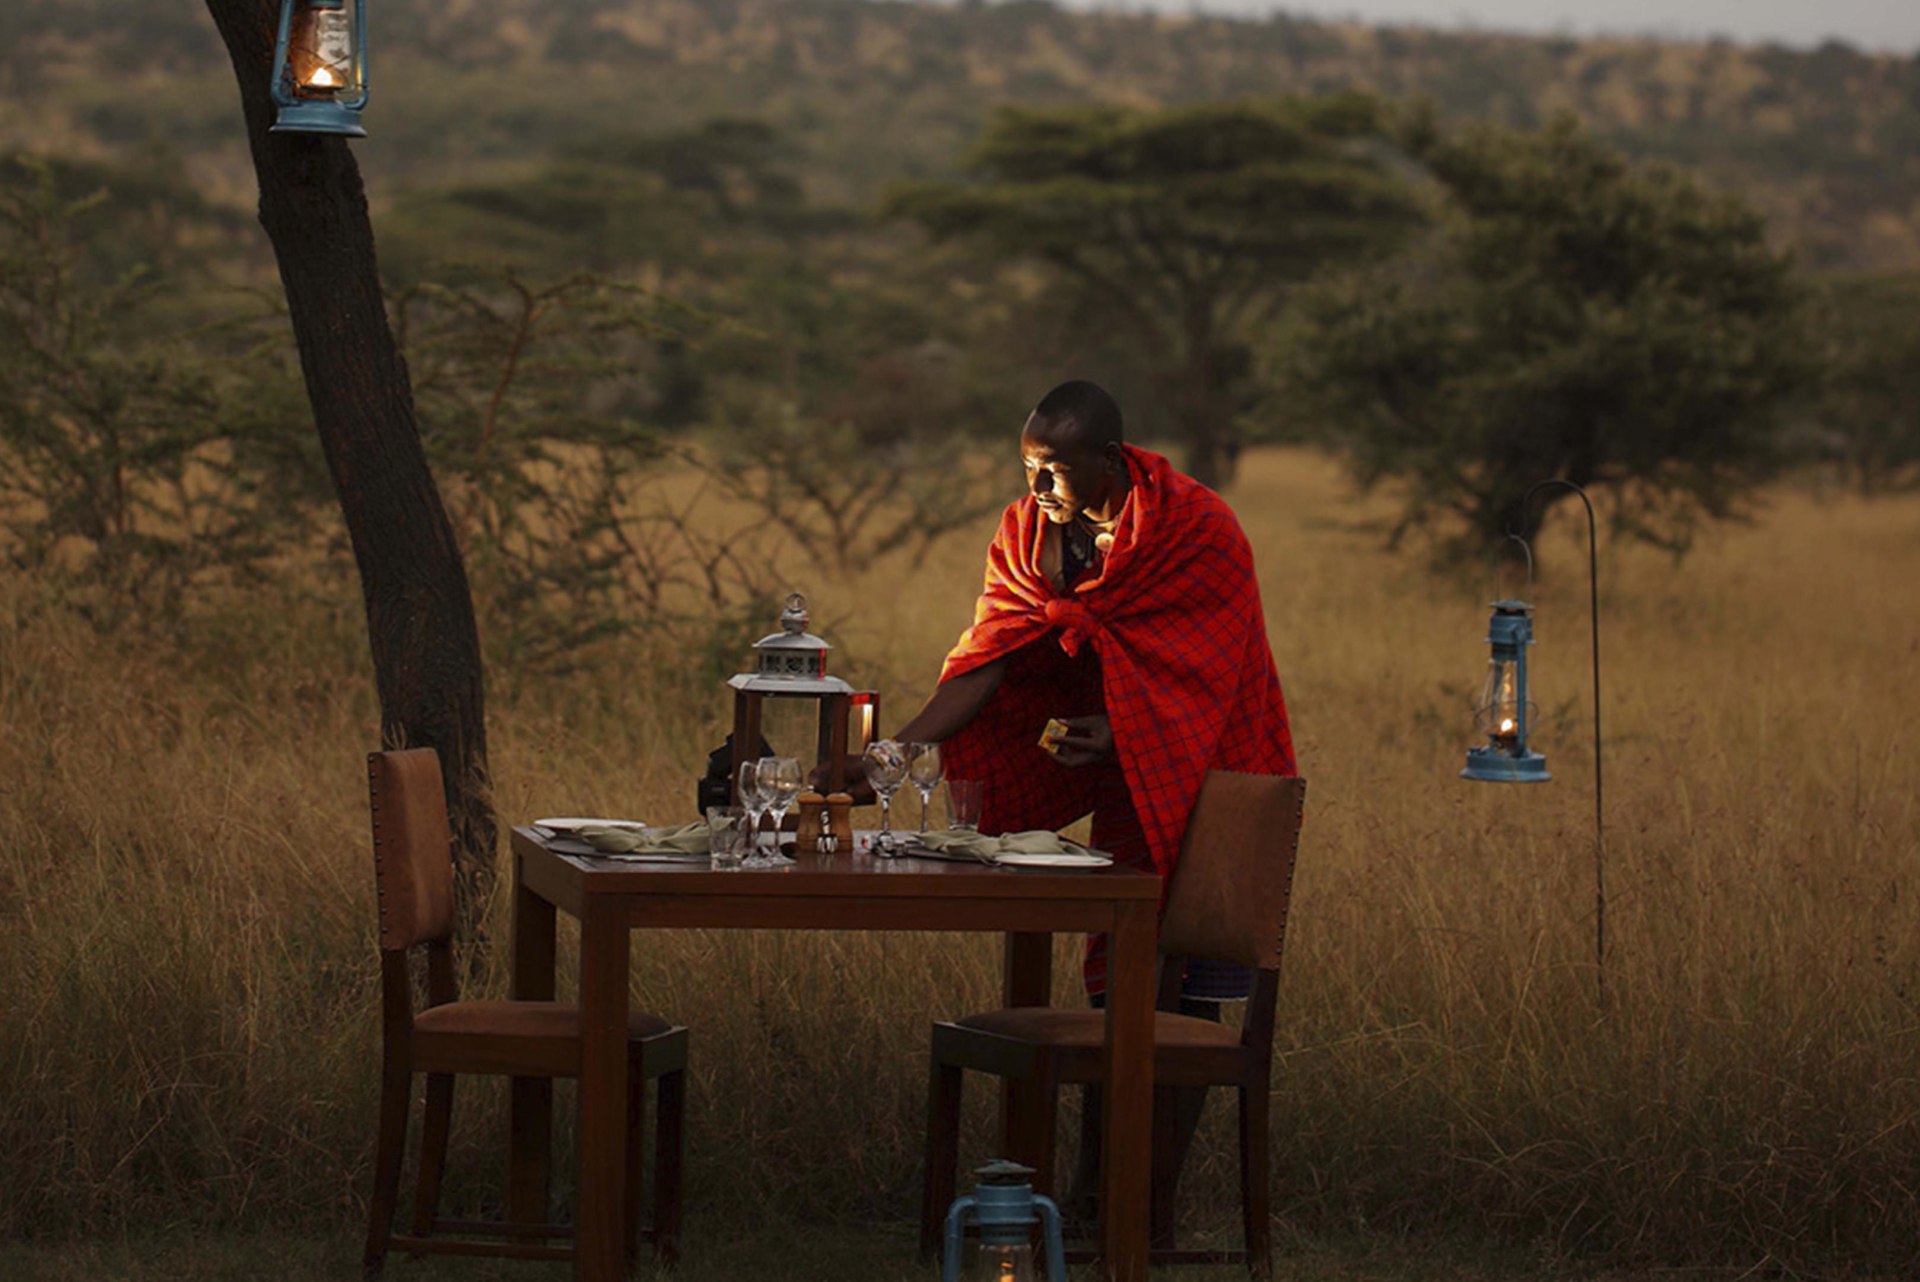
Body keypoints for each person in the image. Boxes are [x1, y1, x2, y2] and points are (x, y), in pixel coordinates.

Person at [882, 379, 1297, 1227]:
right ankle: (1091, 1199)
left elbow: (1209, 670)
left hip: (1213, 772)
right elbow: (989, 652)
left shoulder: (1197, 529)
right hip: (1122, 776)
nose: (1039, 488)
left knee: (1178, 997)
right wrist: (899, 750)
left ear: (1111, 460)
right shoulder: (1031, 532)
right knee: (1121, 989)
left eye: (1058, 470)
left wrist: (1127, 728)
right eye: (1029, 465)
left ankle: (1142, 1206)